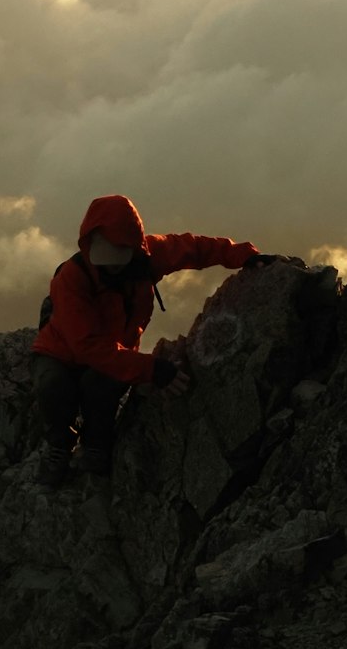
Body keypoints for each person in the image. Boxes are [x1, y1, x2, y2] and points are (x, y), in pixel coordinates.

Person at [30, 192, 273, 487]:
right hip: (61, 352)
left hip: (112, 353)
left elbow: (195, 248)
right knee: (53, 385)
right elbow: (87, 346)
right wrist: (152, 369)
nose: (111, 266)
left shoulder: (148, 258)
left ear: (133, 248)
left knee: (101, 386)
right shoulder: (72, 278)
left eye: (118, 257)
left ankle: (96, 442)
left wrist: (245, 255)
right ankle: (59, 442)